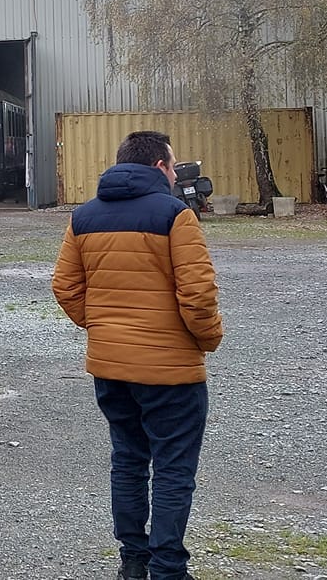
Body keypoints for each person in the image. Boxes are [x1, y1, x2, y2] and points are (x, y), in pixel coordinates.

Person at [52, 130, 223, 580]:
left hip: (111, 368)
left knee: (128, 461)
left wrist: (104, 328)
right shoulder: (176, 216)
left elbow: (65, 287)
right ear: (160, 167)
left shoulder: (83, 217)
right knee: (172, 470)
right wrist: (207, 340)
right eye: (173, 165)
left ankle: (134, 560)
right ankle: (168, 569)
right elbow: (198, 295)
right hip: (172, 372)